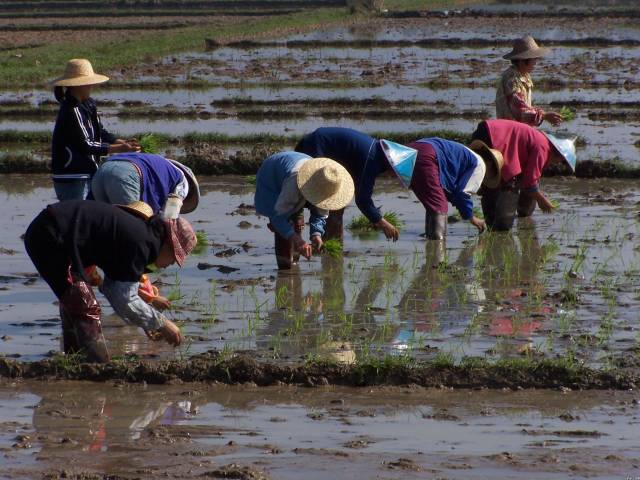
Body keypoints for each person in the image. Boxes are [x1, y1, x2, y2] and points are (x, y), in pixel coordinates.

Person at [23, 200, 197, 362]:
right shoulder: (141, 244)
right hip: (52, 235)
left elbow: (113, 289)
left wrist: (146, 322)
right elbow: (123, 298)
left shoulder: (142, 236)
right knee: (85, 306)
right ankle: (97, 368)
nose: (171, 264)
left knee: (76, 301)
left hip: (51, 230)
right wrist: (162, 323)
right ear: (167, 244)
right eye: (174, 258)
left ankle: (74, 361)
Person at [295, 127, 416, 242]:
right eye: (396, 173)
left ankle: (329, 246)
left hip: (327, 150)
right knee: (309, 195)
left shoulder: (376, 153)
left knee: (336, 201)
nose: (393, 176)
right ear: (392, 165)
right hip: (316, 147)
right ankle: (297, 240)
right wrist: (383, 223)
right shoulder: (372, 159)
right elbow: (362, 200)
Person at [51, 58, 140, 201]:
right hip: (73, 176)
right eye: (88, 83)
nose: (91, 86)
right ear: (79, 85)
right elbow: (86, 145)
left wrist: (122, 142)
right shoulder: (71, 110)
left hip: (89, 172)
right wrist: (120, 148)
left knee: (91, 218)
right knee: (79, 219)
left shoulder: (88, 104)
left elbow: (101, 132)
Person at [470, 119, 576, 231]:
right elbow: (530, 182)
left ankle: (492, 226)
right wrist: (542, 200)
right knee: (507, 183)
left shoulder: (539, 139)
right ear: (559, 155)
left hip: (486, 131)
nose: (557, 163)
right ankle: (500, 227)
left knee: (490, 180)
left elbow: (527, 177)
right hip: (493, 137)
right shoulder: (543, 148)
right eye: (560, 161)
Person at [254, 151, 354, 269]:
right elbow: (278, 218)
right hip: (272, 176)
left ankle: (294, 264)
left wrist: (316, 234)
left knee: (298, 225)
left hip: (294, 172)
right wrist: (297, 239)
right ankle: (285, 269)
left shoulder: (325, 183)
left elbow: (320, 213)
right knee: (285, 230)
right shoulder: (294, 184)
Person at [406, 137, 503, 239]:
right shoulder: (480, 165)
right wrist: (472, 218)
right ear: (490, 164)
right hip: (428, 154)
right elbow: (462, 193)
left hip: (412, 148)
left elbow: (452, 192)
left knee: (434, 204)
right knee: (439, 206)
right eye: (493, 172)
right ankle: (437, 247)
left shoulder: (465, 156)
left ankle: (430, 238)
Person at [91, 152, 200, 216]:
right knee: (130, 225)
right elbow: (170, 216)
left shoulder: (161, 166)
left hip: (102, 170)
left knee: (105, 221)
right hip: (126, 176)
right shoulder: (183, 182)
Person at [496, 36, 563, 127]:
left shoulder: (524, 76)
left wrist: (542, 114)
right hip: (510, 130)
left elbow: (526, 107)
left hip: (520, 129)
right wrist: (544, 116)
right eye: (533, 59)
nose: (535, 62)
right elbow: (519, 111)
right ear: (522, 61)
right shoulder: (511, 79)